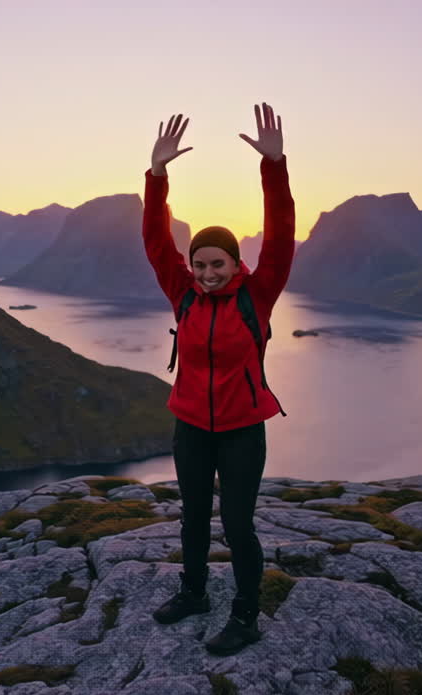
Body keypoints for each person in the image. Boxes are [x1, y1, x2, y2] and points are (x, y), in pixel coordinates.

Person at [142, 102, 295, 656]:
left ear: (236, 264)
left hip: (240, 430)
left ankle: (246, 615)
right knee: (192, 519)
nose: (207, 274)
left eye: (218, 265)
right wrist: (156, 176)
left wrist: (273, 167)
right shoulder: (181, 291)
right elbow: (156, 243)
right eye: (199, 264)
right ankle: (194, 593)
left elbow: (280, 237)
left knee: (237, 525)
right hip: (190, 426)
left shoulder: (258, 294)